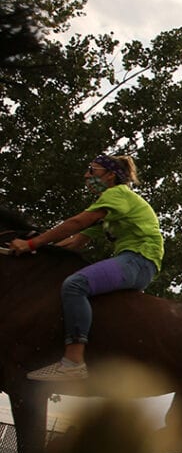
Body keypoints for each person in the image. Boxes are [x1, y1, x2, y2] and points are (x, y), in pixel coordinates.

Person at [9, 153, 163, 381]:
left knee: (75, 285)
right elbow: (74, 241)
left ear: (110, 175)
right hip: (136, 261)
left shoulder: (117, 194)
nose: (86, 175)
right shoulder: (111, 208)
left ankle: (73, 361)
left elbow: (77, 222)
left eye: (92, 170)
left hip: (138, 260)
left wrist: (32, 242)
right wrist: (36, 252)